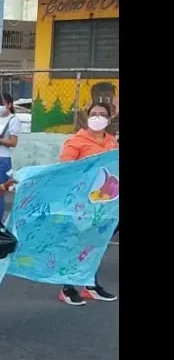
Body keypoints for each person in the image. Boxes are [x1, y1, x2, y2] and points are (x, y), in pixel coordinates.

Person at [58, 103, 119, 306]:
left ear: (109, 119)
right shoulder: (76, 142)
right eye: (94, 114)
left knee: (97, 244)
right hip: (82, 203)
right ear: (87, 117)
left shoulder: (112, 143)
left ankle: (89, 285)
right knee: (77, 243)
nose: (98, 118)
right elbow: (66, 170)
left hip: (106, 204)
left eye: (102, 115)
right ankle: (67, 287)